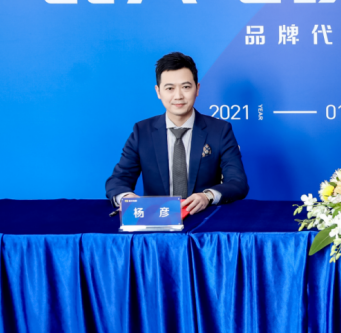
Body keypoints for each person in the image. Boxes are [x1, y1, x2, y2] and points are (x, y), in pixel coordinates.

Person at [105, 52, 249, 214]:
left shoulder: (220, 130)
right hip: (157, 219)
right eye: (170, 88)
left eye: (186, 87)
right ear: (158, 92)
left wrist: (207, 196)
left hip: (202, 218)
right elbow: (118, 180)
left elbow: (238, 182)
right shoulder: (142, 131)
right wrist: (127, 198)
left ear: (197, 89)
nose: (178, 96)